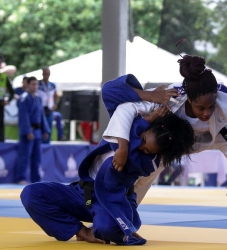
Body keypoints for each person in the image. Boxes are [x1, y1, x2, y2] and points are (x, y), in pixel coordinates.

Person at [103, 56, 227, 242]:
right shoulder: (170, 97)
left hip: (221, 134)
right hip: (176, 140)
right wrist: (122, 146)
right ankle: (123, 220)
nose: (206, 113)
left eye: (210, 106)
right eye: (200, 107)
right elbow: (125, 108)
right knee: (143, 174)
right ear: (189, 99)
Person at [20, 75, 195, 245]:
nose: (142, 148)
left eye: (147, 150)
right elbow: (110, 90)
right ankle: (82, 231)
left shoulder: (150, 162)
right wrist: (150, 100)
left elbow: (134, 149)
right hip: (83, 194)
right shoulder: (124, 125)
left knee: (108, 231)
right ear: (151, 126)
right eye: (142, 140)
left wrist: (129, 141)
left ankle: (105, 225)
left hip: (111, 203)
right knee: (31, 194)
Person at [15, 77, 50, 184]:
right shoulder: (24, 98)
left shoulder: (38, 98)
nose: (35, 86)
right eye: (33, 84)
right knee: (24, 156)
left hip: (38, 131)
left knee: (37, 158)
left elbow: (42, 115)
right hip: (29, 132)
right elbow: (23, 116)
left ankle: (36, 180)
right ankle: (21, 178)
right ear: (27, 85)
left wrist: (45, 130)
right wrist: (27, 131)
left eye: (36, 84)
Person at [37, 67, 59, 143]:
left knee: (49, 127)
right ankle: (40, 143)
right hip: (40, 108)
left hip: (49, 108)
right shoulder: (38, 84)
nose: (46, 75)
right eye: (45, 73)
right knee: (40, 126)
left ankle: (47, 143)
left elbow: (56, 95)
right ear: (42, 74)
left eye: (48, 74)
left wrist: (55, 104)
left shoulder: (52, 85)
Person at [0, 53, 14, 142]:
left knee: (1, 124)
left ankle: (1, 140)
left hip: (0, 103)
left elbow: (12, 92)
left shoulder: (4, 76)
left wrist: (8, 100)